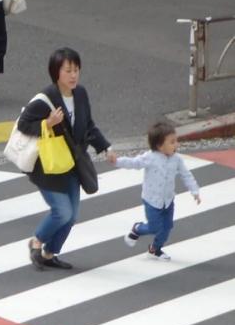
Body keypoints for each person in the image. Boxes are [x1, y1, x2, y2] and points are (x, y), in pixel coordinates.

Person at [18, 47, 111, 272]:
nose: (73, 75)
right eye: (68, 70)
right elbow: (23, 124)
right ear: (56, 72)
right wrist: (46, 124)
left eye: (76, 70)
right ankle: (36, 242)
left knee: (71, 217)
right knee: (63, 212)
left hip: (71, 164)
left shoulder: (81, 94)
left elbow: (88, 125)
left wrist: (105, 147)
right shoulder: (45, 99)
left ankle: (49, 254)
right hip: (48, 167)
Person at [118, 121, 202, 261]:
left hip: (168, 200)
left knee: (167, 227)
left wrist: (194, 190)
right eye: (172, 142)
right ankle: (137, 229)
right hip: (152, 200)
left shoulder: (177, 159)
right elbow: (134, 163)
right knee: (154, 227)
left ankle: (155, 249)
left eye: (176, 141)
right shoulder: (150, 158)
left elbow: (186, 174)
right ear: (159, 145)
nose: (176, 145)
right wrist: (117, 161)